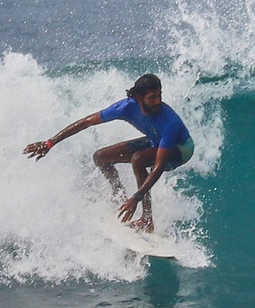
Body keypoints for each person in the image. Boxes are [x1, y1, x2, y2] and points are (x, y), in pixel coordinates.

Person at [24, 73, 193, 232]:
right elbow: (87, 122)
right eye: (152, 97)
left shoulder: (169, 122)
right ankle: (119, 196)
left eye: (159, 95)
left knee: (139, 159)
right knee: (100, 157)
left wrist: (137, 197)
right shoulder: (125, 107)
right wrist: (50, 142)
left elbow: (159, 166)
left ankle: (147, 220)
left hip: (181, 149)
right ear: (138, 98)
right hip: (155, 139)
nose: (157, 102)